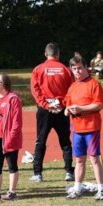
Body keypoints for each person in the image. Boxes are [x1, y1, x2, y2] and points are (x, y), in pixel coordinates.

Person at [30, 42, 74, 183]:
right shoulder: (66, 70)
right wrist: (62, 104)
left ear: (45, 53)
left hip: (45, 110)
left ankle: (37, 173)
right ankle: (68, 171)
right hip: (61, 110)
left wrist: (45, 105)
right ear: (58, 54)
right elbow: (72, 90)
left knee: (41, 141)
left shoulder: (38, 69)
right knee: (65, 141)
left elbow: (35, 90)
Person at [64, 56, 103, 200]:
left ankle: (101, 189)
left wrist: (81, 108)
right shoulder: (73, 86)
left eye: (80, 68)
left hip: (91, 127)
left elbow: (99, 104)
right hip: (76, 128)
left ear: (86, 67)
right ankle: (77, 187)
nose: (77, 71)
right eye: (74, 69)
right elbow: (67, 105)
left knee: (94, 158)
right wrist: (66, 109)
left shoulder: (94, 84)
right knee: (79, 160)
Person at [0, 73, 23, 202]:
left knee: (12, 164)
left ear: (5, 84)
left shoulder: (13, 99)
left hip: (9, 137)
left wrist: (11, 137)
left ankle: (12, 192)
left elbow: (17, 121)